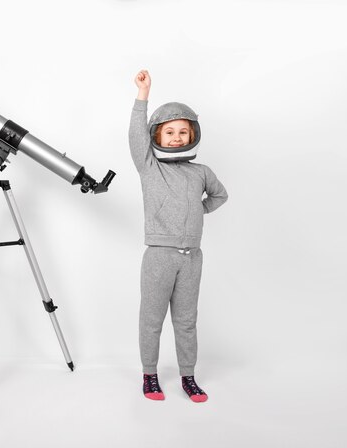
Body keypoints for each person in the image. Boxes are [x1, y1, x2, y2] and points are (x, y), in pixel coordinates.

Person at [129, 69, 228, 403]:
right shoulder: (150, 168)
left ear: (192, 136)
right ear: (157, 135)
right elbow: (136, 137)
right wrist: (143, 95)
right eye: (169, 131)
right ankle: (150, 375)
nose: (175, 137)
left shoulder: (201, 172)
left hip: (192, 259)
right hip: (159, 256)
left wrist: (198, 211)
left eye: (182, 132)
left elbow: (220, 196)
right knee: (152, 319)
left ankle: (189, 377)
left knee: (186, 321)